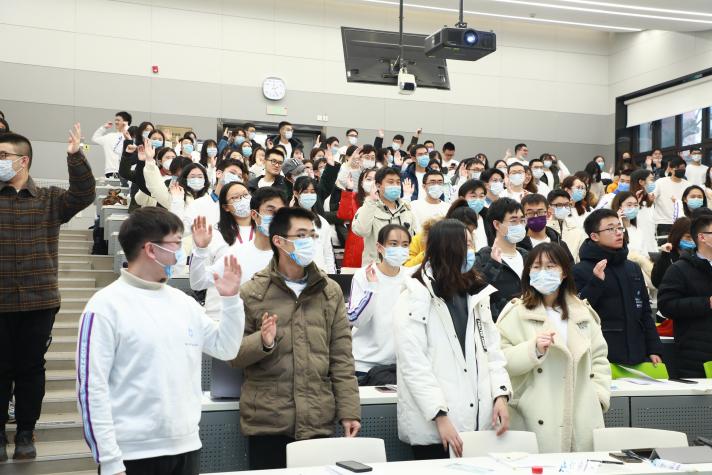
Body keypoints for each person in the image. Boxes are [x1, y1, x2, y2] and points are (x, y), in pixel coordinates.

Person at [77, 207, 244, 475]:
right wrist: (109, 460)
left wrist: (231, 300)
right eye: (176, 243)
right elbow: (91, 389)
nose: (180, 251)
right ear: (151, 249)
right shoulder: (105, 306)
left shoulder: (184, 303)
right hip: (131, 454)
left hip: (186, 447)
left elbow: (226, 348)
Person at [231, 207, 360, 470]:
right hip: (269, 422)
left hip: (317, 419)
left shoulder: (330, 291)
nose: (309, 241)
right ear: (278, 241)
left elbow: (341, 357)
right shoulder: (252, 292)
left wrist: (349, 411)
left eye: (312, 235)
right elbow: (232, 354)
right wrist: (262, 342)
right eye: (301, 235)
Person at [0, 126, 95, 461]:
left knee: (30, 369)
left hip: (38, 301)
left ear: (23, 160)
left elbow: (84, 194)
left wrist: (75, 156)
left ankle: (26, 431)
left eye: (3, 156)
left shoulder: (49, 199)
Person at [395, 219, 511, 459]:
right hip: (435, 429)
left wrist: (500, 395)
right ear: (448, 248)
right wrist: (440, 416)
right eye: (466, 245)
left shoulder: (476, 292)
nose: (471, 251)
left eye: (471, 244)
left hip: (478, 423)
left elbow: (492, 351)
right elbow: (414, 365)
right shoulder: (414, 295)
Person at [496, 243, 611, 453]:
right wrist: (532, 350)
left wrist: (598, 398)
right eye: (536, 267)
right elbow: (499, 360)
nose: (543, 272)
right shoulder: (515, 313)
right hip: (534, 416)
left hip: (581, 417)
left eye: (550, 266)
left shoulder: (583, 313)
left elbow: (599, 358)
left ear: (564, 272)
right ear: (528, 272)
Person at [573, 209, 663, 365]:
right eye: (610, 229)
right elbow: (576, 311)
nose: (619, 233)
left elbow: (645, 312)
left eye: (620, 227)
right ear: (594, 236)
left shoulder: (632, 268)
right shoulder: (580, 270)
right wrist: (595, 282)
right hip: (600, 355)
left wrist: (654, 348)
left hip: (637, 352)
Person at [349, 224, 412, 384]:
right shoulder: (364, 275)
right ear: (379, 247)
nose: (400, 249)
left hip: (399, 367)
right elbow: (356, 319)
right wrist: (372, 289)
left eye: (405, 245)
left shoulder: (411, 277)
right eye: (393, 244)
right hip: (364, 366)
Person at [189, 181, 254, 321]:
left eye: (245, 195)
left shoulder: (265, 232)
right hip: (220, 313)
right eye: (236, 197)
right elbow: (197, 282)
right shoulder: (214, 235)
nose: (243, 200)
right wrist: (200, 249)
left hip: (256, 314)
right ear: (225, 207)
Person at [658, 213, 712, 377]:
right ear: (702, 237)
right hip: (695, 354)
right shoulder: (680, 269)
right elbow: (666, 305)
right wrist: (706, 303)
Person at [475, 198, 529, 321]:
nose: (519, 225)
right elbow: (475, 290)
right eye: (513, 221)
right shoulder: (483, 258)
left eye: (522, 220)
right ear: (497, 225)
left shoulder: (528, 256)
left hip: (529, 321)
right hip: (499, 324)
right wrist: (493, 265)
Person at [352, 167, 415, 264]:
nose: (395, 186)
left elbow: (412, 240)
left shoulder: (406, 210)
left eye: (398, 183)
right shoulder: (368, 208)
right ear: (378, 185)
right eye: (390, 182)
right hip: (375, 266)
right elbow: (361, 231)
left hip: (402, 266)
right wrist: (371, 201)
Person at [183, 158, 245, 230]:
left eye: (239, 177)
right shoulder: (197, 204)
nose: (236, 178)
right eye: (232, 173)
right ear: (219, 173)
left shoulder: (241, 209)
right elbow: (184, 231)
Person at [292, 176, 336, 273]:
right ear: (296, 193)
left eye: (312, 192)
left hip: (320, 274)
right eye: (305, 192)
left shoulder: (322, 222)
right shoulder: (288, 220)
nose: (309, 195)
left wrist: (331, 274)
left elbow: (328, 253)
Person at [519, 194, 574, 261]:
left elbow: (569, 266)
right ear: (523, 215)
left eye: (540, 212)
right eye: (530, 213)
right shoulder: (518, 245)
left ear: (548, 213)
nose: (536, 216)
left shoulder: (560, 244)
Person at [337, 169, 374, 268]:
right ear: (362, 183)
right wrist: (348, 190)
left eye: (375, 180)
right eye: (369, 179)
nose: (372, 183)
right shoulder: (353, 197)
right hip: (355, 250)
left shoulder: (383, 202)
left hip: (375, 250)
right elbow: (343, 215)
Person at [611, 191, 657, 257]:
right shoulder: (612, 230)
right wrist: (617, 221)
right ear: (619, 207)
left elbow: (645, 255)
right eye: (629, 205)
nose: (633, 208)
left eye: (635, 205)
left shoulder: (638, 230)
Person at [654, 157, 689, 243]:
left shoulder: (688, 184)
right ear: (670, 169)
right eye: (678, 168)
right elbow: (651, 197)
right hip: (664, 222)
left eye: (683, 168)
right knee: (664, 247)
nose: (681, 170)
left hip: (682, 223)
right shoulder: (660, 182)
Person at [651, 217, 693, 289]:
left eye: (694, 237)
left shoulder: (698, 255)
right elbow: (657, 282)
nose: (692, 241)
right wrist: (664, 256)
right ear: (677, 235)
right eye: (688, 237)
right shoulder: (666, 256)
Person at [546, 190, 587, 263]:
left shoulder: (577, 230)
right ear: (549, 207)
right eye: (559, 205)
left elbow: (581, 258)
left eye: (566, 205)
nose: (564, 208)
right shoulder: (544, 229)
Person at [92, 111, 131, 179]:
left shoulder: (131, 136)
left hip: (127, 171)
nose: (116, 122)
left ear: (125, 122)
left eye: (118, 120)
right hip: (112, 170)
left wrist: (126, 127)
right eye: (115, 120)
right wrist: (104, 128)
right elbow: (95, 138)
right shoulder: (110, 136)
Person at [457, 179, 489, 249]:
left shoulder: (489, 217)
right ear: (462, 198)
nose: (478, 200)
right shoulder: (455, 221)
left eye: (481, 196)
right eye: (473, 196)